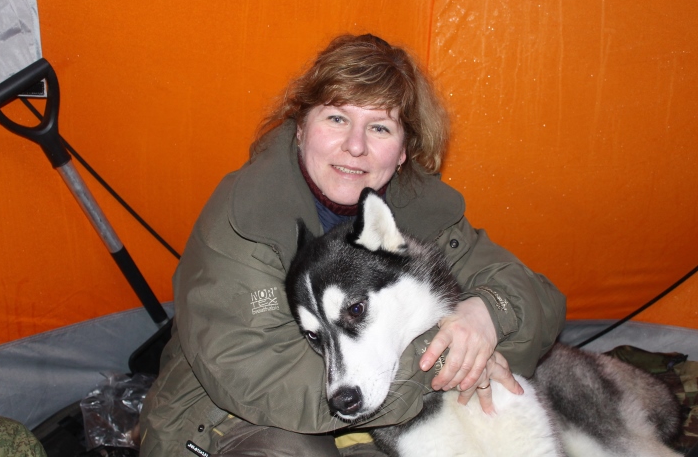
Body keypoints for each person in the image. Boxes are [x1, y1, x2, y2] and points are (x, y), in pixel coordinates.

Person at [138, 34, 566, 457]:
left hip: (376, 414)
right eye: (337, 119)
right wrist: (447, 356)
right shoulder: (246, 220)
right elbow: (265, 380)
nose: (355, 146)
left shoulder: (419, 215)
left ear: (403, 151)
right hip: (222, 426)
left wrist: (487, 313)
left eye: (379, 127)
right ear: (301, 127)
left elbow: (537, 298)